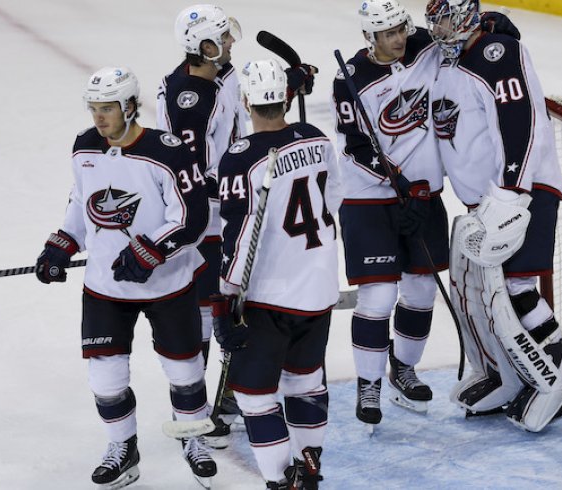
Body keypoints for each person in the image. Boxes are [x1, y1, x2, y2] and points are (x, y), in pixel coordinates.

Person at [332, 0, 521, 428]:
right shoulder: (350, 80)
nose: (399, 38)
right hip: (369, 199)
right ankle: (369, 385)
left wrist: (494, 25)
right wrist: (394, 179)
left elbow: (462, 28)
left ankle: (403, 368)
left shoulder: (424, 45)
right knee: (378, 297)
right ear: (369, 38)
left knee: (419, 292)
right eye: (388, 34)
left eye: (402, 27)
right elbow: (356, 144)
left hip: (424, 196)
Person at [35, 66, 216, 488]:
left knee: (185, 370)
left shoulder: (165, 151)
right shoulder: (84, 147)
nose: (99, 118)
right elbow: (81, 202)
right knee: (106, 378)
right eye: (94, 108)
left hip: (167, 285)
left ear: (131, 107)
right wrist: (61, 243)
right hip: (105, 287)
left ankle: (193, 439)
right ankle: (123, 449)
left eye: (108, 108)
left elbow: (192, 217)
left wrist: (150, 250)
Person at [425, 0, 562, 432]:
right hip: (488, 202)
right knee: (488, 293)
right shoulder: (452, 61)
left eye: (443, 17)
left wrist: (513, 191)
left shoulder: (496, 53)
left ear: (464, 14)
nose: (436, 28)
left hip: (524, 193)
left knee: (517, 289)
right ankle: (513, 378)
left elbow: (521, 123)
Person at [157, 4, 317, 446]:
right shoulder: (188, 100)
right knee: (210, 311)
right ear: (203, 47)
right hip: (203, 217)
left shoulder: (215, 74)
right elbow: (193, 171)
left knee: (234, 302)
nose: (231, 43)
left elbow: (245, 86)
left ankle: (226, 394)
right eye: (222, 39)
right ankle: (198, 407)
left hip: (225, 208)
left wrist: (287, 83)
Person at [213, 59, 342, 489]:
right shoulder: (318, 138)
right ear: (287, 96)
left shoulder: (242, 158)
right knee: (305, 382)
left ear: (246, 100)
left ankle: (278, 481)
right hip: (320, 285)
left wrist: (224, 297)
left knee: (254, 394)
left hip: (269, 293)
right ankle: (309, 467)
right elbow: (335, 197)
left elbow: (241, 230)